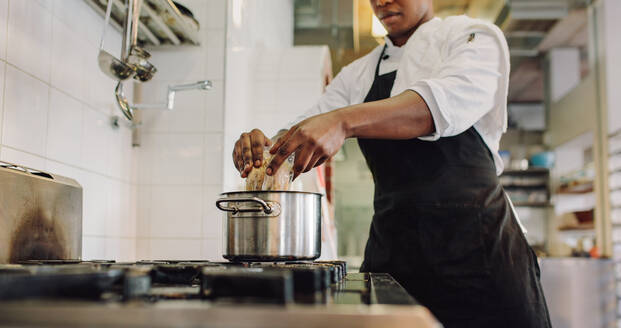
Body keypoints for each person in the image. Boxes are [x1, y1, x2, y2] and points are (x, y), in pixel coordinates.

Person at [231, 0, 551, 326]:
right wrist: (268, 148)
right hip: (395, 259)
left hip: (479, 256)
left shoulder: (471, 37)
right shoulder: (357, 74)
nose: (381, 1)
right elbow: (308, 132)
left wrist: (342, 122)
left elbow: (440, 107)